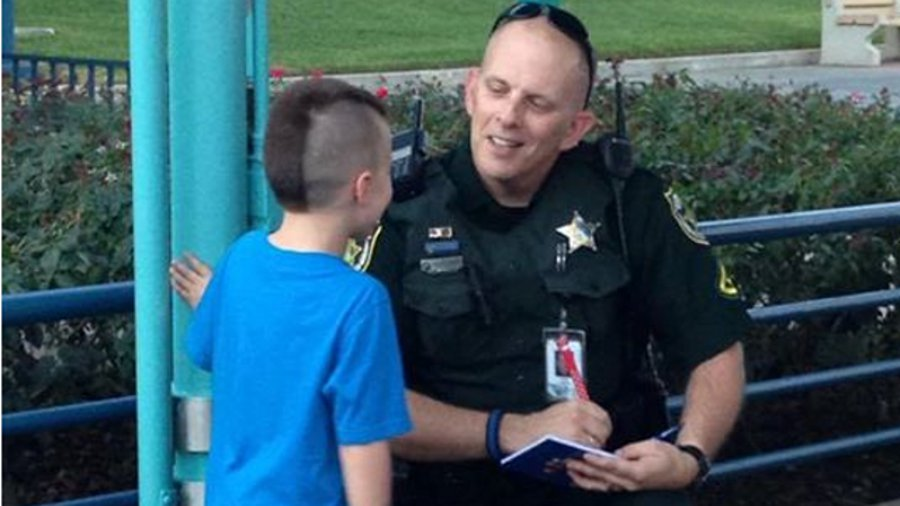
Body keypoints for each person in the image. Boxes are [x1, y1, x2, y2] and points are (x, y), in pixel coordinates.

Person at [173, 4, 750, 505]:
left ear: (576, 127)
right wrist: (509, 431)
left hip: (608, 485)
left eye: (537, 103)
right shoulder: (402, 209)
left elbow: (716, 345)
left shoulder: (629, 203)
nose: (508, 116)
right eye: (498, 90)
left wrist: (688, 456)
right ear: (471, 90)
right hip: (452, 488)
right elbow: (358, 397)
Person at [178, 78, 411, 506]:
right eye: (387, 174)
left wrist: (219, 301)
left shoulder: (241, 259)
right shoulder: (360, 302)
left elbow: (208, 350)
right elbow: (363, 446)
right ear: (362, 187)